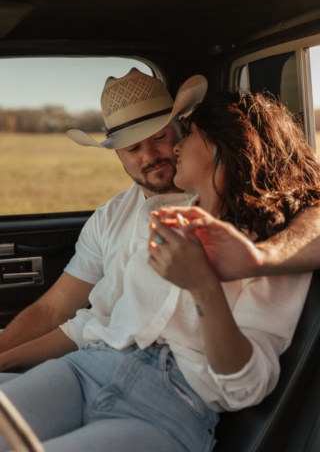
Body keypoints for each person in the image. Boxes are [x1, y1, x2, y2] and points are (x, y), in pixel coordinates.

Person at [0, 91, 317, 452]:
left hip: (170, 403)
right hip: (88, 366)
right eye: (132, 149)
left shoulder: (282, 244)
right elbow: (86, 318)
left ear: (219, 145)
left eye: (171, 136)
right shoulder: (153, 214)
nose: (157, 156)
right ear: (118, 156)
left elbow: (243, 388)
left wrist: (207, 283)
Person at [0, 68, 207, 355]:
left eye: (159, 137)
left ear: (181, 129)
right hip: (96, 354)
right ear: (117, 154)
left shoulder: (214, 202)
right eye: (133, 147)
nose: (149, 156)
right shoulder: (108, 217)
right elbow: (52, 310)